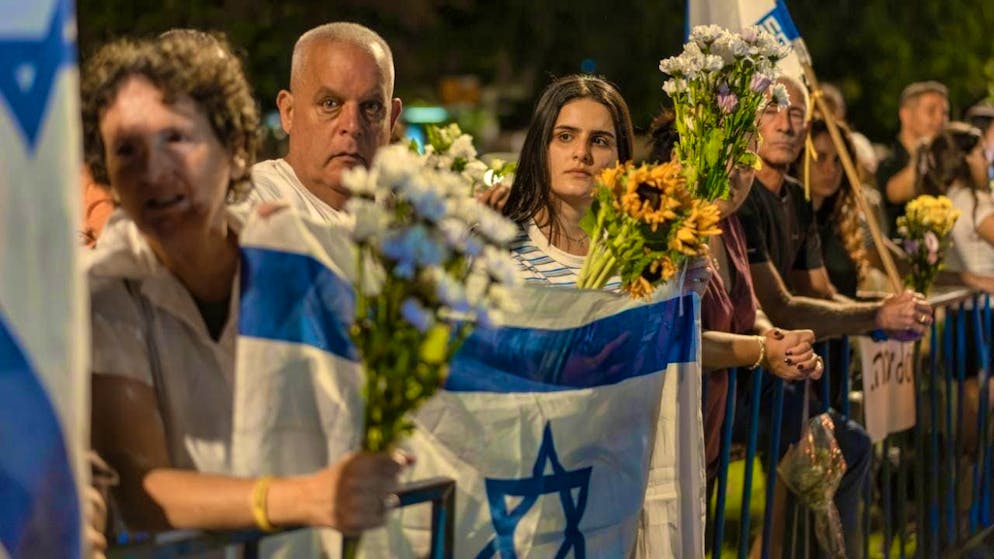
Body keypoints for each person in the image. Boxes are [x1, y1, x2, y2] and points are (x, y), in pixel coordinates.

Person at [83, 31, 406, 537]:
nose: (153, 170)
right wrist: (308, 497)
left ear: (235, 150)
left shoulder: (295, 260)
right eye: (127, 150)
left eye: (177, 139)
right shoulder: (102, 293)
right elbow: (141, 490)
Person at [737, 76, 933, 558]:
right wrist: (877, 315)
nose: (786, 123)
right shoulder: (741, 198)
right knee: (833, 459)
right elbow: (779, 305)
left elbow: (819, 293)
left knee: (839, 459)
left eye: (797, 113)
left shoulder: (795, 198)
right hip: (737, 378)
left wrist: (885, 315)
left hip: (784, 381)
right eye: (773, 109)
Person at [647, 109, 821, 493]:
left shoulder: (729, 226)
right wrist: (761, 351)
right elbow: (673, 340)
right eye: (715, 153)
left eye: (744, 161)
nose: (730, 171)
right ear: (679, 158)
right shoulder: (657, 229)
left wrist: (773, 337)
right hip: (659, 446)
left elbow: (748, 305)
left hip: (708, 432)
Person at [250, 22, 402, 225]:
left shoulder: (411, 217)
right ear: (288, 113)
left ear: (391, 120)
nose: (353, 125)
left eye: (371, 107)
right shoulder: (252, 205)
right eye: (330, 104)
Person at [877, 81, 949, 236]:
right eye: (931, 111)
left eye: (944, 113)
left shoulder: (944, 162)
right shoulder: (887, 163)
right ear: (906, 115)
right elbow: (895, 192)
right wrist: (923, 150)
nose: (940, 119)